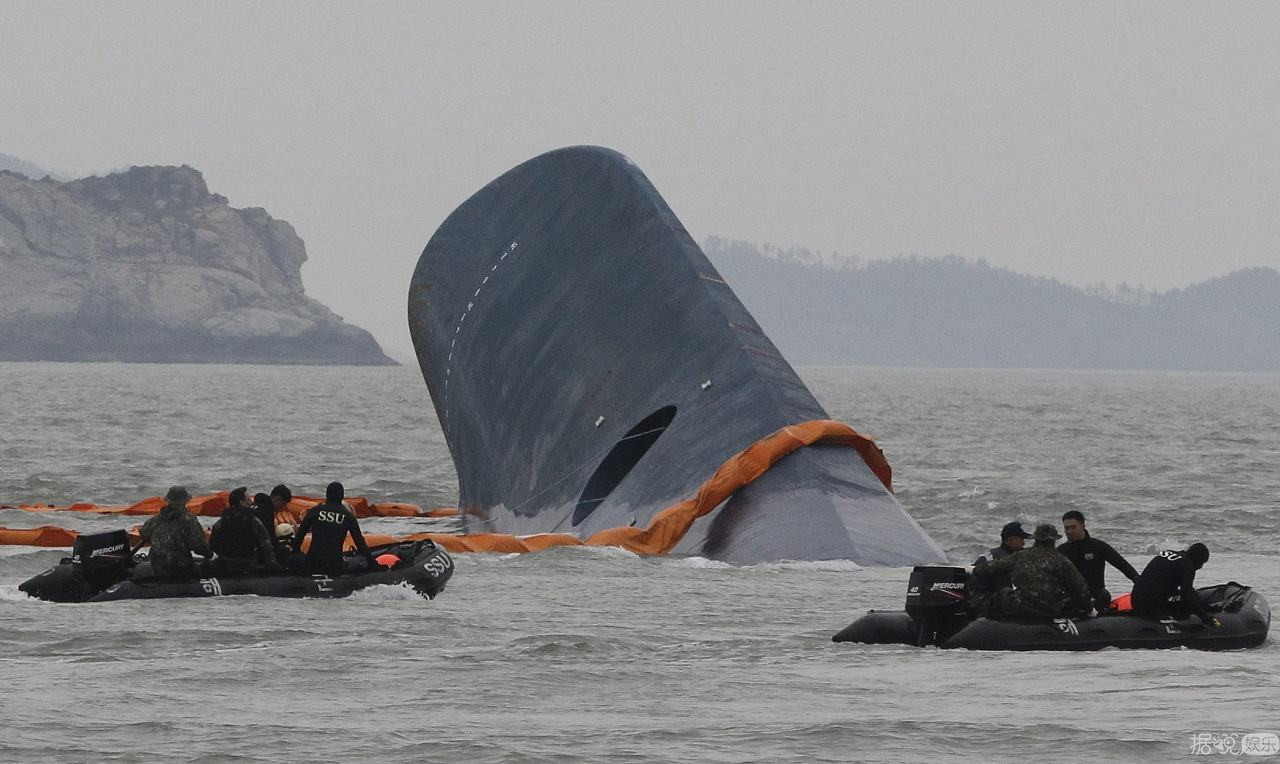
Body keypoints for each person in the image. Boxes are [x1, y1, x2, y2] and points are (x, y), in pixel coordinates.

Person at [971, 523, 1096, 619]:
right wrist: (1089, 609)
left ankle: (982, 620)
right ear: (1053, 540)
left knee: (1002, 593)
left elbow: (992, 567)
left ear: (1036, 539)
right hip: (1051, 609)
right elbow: (1080, 588)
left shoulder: (1021, 556)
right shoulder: (1062, 560)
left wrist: (974, 570)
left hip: (1022, 606)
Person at [1057, 510, 1140, 610]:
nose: (1070, 531)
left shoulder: (1097, 546)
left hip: (1096, 595)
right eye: (1067, 528)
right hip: (1071, 598)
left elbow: (1121, 564)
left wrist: (1139, 582)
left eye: (1073, 527)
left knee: (1103, 594)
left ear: (1083, 526)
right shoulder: (1061, 551)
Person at [292, 481, 377, 575]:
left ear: (326, 495)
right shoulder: (348, 516)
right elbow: (360, 543)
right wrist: (373, 564)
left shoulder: (315, 511)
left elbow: (299, 536)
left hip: (313, 563)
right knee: (360, 560)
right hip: (335, 566)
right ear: (342, 497)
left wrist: (295, 555)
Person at [1131, 543, 1220, 627]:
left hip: (1136, 600)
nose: (1201, 567)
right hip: (1151, 606)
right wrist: (1205, 618)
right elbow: (1187, 595)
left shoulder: (1169, 554)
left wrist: (1205, 606)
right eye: (1202, 563)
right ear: (1197, 560)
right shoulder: (1187, 565)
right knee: (1187, 605)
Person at [138, 485, 214, 580]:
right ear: (186, 501)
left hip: (155, 566)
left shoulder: (156, 519)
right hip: (180, 568)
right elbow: (198, 545)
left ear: (168, 500)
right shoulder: (189, 520)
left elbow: (144, 534)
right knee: (209, 568)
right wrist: (210, 555)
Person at [208, 487, 279, 576]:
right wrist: (273, 566)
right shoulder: (252, 520)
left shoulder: (222, 521)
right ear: (241, 502)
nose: (251, 502)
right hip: (247, 565)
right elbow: (265, 545)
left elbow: (213, 544)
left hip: (226, 565)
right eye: (248, 500)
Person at [969, 521, 1032, 617]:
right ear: (1011, 540)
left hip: (975, 599)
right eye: (1021, 539)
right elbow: (1005, 590)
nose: (1023, 543)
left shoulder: (992, 553)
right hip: (986, 606)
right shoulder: (1005, 561)